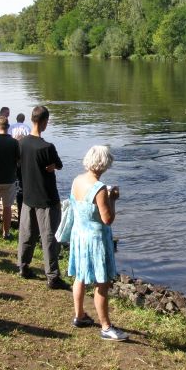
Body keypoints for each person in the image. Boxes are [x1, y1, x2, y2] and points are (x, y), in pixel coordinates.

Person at [68, 145, 127, 340]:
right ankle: (106, 327)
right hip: (95, 238)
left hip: (79, 234)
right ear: (104, 164)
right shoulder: (99, 189)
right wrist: (114, 199)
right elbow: (107, 219)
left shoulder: (77, 180)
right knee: (102, 282)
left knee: (80, 276)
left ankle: (79, 316)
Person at [18, 105, 68, 289]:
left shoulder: (21, 143)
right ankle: (52, 277)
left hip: (28, 196)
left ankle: (23, 267)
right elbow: (59, 165)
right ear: (45, 122)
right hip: (47, 199)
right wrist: (53, 166)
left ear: (32, 119)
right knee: (49, 238)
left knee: (26, 233)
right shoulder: (47, 147)